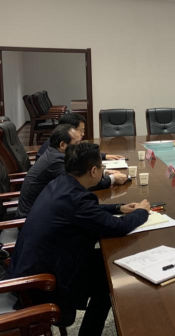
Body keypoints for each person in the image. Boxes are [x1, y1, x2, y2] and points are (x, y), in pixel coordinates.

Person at [7, 142, 150, 336]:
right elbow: (118, 227)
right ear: (94, 171)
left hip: (34, 266)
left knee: (106, 267)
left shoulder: (61, 183)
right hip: (42, 285)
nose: (103, 170)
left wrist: (118, 208)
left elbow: (83, 211)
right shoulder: (78, 199)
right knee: (108, 277)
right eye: (101, 167)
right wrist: (142, 212)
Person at [16, 124, 128, 219]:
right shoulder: (56, 161)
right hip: (33, 219)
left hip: (44, 210)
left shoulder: (53, 153)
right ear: (62, 145)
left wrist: (103, 172)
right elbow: (81, 184)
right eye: (77, 143)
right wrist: (112, 179)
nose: (80, 147)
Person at [36, 113, 123, 161]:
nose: (83, 134)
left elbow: (80, 152)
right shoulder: (54, 153)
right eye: (81, 130)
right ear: (70, 129)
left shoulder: (59, 140)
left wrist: (103, 156)